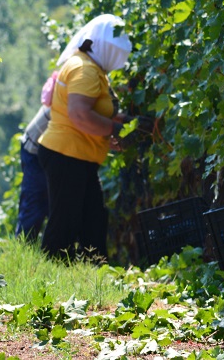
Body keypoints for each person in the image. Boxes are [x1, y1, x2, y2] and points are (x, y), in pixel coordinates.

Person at [37, 14, 136, 262]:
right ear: (103, 46)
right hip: (67, 155)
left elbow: (91, 113)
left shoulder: (87, 66)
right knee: (65, 224)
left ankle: (93, 275)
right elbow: (80, 115)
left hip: (75, 156)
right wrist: (114, 130)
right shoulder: (85, 70)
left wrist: (122, 123)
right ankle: (49, 282)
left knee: (93, 219)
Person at [14, 104, 51, 241]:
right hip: (35, 150)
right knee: (35, 206)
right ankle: (22, 254)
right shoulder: (78, 88)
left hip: (47, 150)